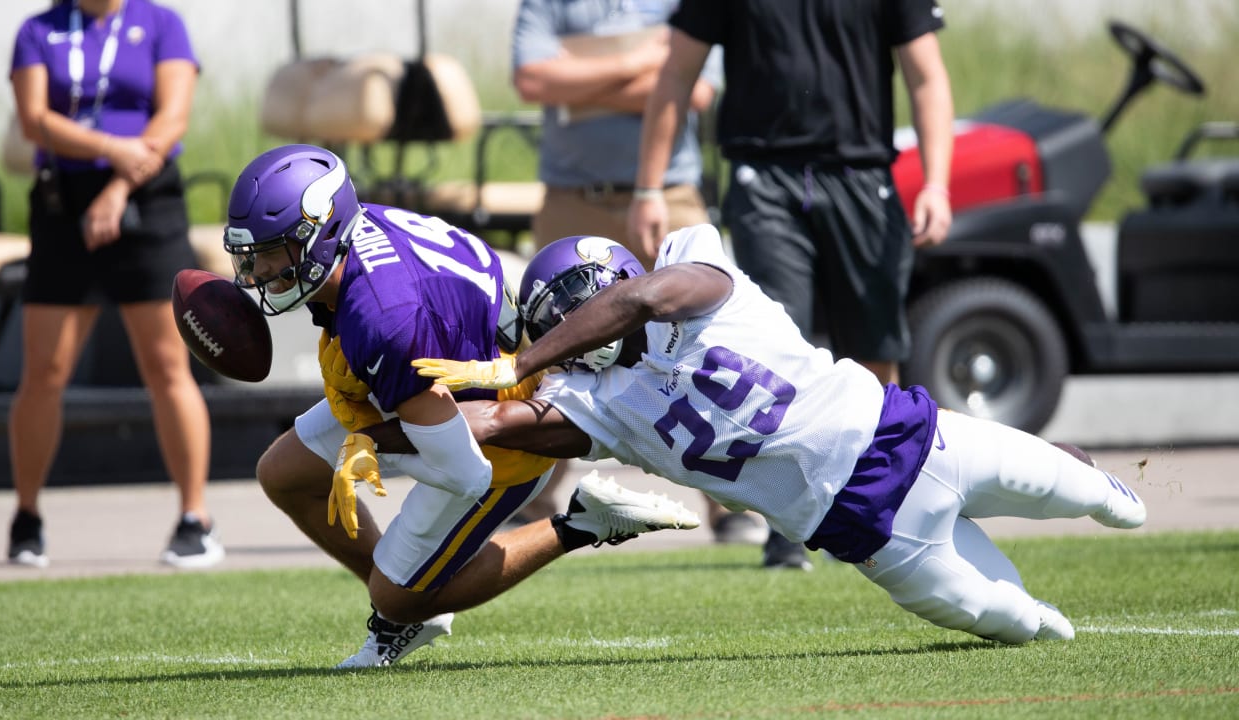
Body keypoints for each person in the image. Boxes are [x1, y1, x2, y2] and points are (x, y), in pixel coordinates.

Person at [408, 228, 1147, 644]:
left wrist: (522, 361)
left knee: (1110, 503)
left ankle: (1079, 469)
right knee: (1026, 627)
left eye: (565, 320)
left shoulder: (696, 281)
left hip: (918, 440)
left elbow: (641, 297)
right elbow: (494, 423)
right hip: (872, 535)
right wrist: (383, 418)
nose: (563, 341)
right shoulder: (607, 408)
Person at [222, 144, 699, 669]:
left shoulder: (383, 317)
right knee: (284, 475)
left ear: (325, 231)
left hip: (498, 434)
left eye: (274, 251)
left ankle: (579, 523)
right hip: (448, 375)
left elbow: (463, 471)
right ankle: (406, 607)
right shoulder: (357, 244)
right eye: (252, 253)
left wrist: (367, 446)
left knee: (396, 596)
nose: (259, 270)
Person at [627, 0, 955, 566]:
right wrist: (648, 187)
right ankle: (789, 526)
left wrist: (937, 184)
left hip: (862, 177)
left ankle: (891, 508)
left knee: (875, 355)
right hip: (766, 180)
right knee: (779, 354)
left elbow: (926, 76)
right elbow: (677, 72)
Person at [510, 0, 769, 553]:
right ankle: (528, 497)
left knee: (704, 341)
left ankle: (729, 507)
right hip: (573, 200)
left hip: (667, 194)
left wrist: (579, 84)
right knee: (556, 348)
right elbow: (533, 80)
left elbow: (696, 90)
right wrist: (646, 68)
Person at [7, 0, 220, 569]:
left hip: (147, 200)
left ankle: (195, 518)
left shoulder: (161, 23)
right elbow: (35, 120)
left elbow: (172, 117)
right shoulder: (38, 30)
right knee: (45, 371)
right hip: (61, 204)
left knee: (167, 366)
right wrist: (109, 151)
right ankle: (26, 518)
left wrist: (118, 188)